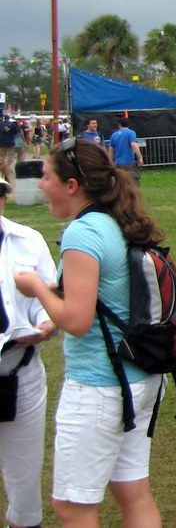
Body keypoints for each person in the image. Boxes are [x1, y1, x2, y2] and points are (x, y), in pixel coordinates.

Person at [14, 139, 164, 525]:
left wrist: (36, 287)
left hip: (100, 385)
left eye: (47, 177)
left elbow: (77, 320)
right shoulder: (118, 220)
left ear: (72, 186)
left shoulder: (83, 234)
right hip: (138, 377)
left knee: (73, 506)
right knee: (134, 492)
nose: (41, 184)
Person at [0, 175, 58, 528]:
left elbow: (45, 302)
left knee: (24, 476)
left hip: (19, 371)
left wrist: (46, 323)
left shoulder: (27, 240)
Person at [108, 118, 144, 185]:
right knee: (133, 182)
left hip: (117, 163)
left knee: (119, 183)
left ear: (119, 125)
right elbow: (133, 144)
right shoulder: (131, 133)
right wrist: (140, 157)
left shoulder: (114, 135)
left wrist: (110, 161)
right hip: (129, 163)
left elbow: (111, 149)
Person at [0, 116, 19, 185]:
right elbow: (17, 132)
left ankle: (4, 172)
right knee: (9, 160)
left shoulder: (0, 124)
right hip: (11, 144)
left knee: (1, 158)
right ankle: (8, 173)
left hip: (1, 144)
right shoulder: (13, 125)